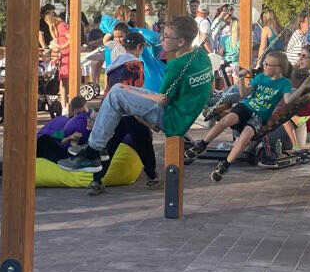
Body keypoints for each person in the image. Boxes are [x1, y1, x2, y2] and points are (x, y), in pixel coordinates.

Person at [63, 15, 213, 174]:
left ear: (180, 42)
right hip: (182, 112)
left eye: (166, 36)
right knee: (118, 89)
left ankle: (93, 152)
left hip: (172, 119)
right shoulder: (201, 54)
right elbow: (209, 88)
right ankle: (100, 146)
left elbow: (162, 101)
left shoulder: (176, 65)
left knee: (116, 96)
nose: (162, 39)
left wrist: (133, 92)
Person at [188, 51, 304, 181]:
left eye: (267, 64)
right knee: (225, 121)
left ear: (277, 68)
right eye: (264, 63)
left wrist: (303, 87)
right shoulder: (260, 77)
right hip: (246, 107)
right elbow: (244, 94)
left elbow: (288, 100)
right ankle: (202, 144)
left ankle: (225, 165)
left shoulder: (284, 83)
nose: (264, 66)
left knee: (245, 137)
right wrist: (241, 79)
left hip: (260, 116)